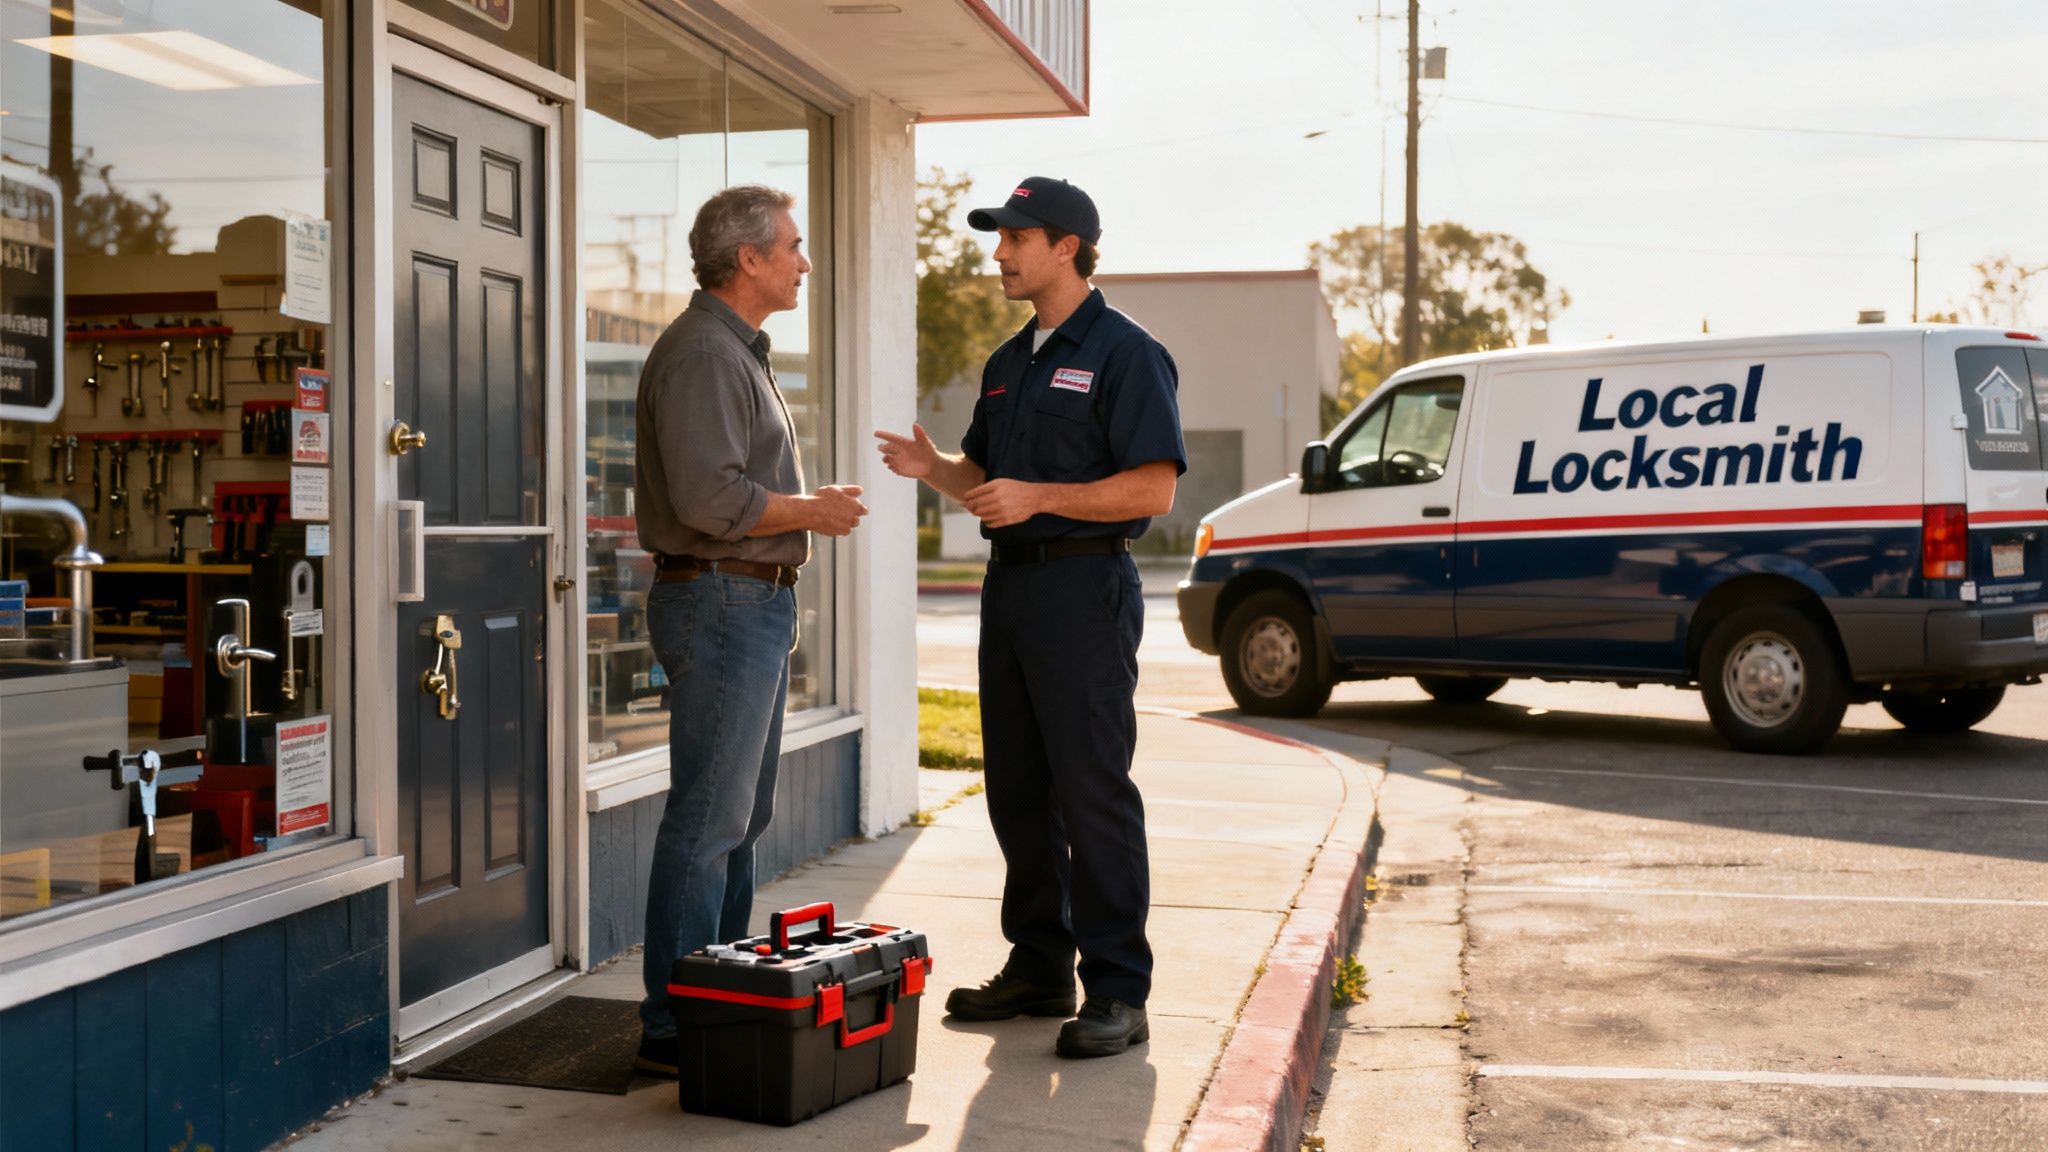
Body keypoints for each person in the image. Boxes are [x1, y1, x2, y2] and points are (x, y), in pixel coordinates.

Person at [875, 177, 1185, 1058]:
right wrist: (937, 468)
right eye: (998, 237)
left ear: (1068, 246)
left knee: (1092, 792)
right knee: (1018, 790)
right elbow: (989, 487)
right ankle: (1041, 965)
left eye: (1016, 237)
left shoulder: (1128, 353)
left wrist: (1043, 494)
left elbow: (1154, 487)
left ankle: (1119, 989)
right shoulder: (1009, 363)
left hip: (1086, 592)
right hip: (1010, 592)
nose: (1000, 253)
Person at [633, 184, 868, 1076]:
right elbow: (708, 498)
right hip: (722, 603)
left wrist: (803, 513)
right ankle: (676, 1025)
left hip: (747, 602)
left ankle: (717, 1003)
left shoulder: (734, 350)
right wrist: (810, 508)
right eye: (794, 248)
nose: (805, 262)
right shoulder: (703, 354)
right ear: (750, 260)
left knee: (737, 817)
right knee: (707, 821)